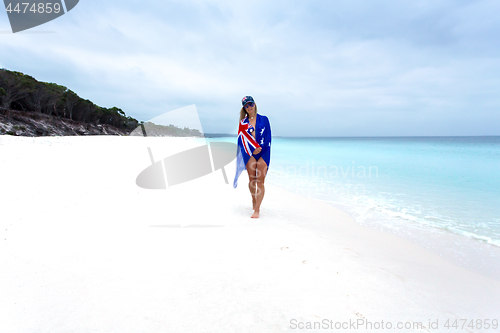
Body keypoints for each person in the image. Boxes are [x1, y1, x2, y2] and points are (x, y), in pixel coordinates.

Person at [233, 96, 272, 218]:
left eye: (250, 104)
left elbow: (268, 136)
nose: (249, 107)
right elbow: (241, 139)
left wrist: (260, 148)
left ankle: (257, 210)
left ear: (254, 104)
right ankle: (253, 199)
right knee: (252, 180)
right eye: (246, 106)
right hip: (249, 153)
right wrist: (251, 149)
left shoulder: (264, 119)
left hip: (263, 151)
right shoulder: (243, 123)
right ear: (244, 108)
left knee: (260, 181)